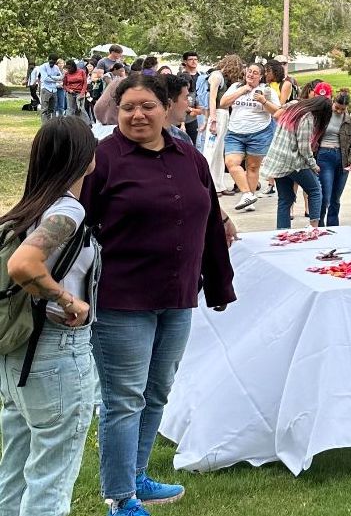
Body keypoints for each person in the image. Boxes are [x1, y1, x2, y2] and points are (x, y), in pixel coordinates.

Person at [80, 73, 236, 516]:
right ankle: (120, 496)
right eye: (127, 106)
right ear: (116, 111)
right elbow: (77, 226)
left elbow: (208, 223)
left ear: (166, 108)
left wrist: (219, 284)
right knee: (124, 398)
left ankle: (138, 477)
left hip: (177, 295)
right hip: (120, 301)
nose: (137, 114)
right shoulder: (103, 160)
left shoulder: (189, 156)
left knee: (157, 392)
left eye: (147, 105)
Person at [0, 118, 99, 516]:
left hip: (16, 355)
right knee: (51, 482)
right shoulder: (67, 209)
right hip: (55, 351)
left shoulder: (26, 208)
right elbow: (24, 265)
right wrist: (68, 300)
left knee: (14, 472)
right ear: (86, 159)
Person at [260, 95, 333, 230]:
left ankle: (282, 232)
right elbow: (304, 147)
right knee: (315, 190)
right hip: (293, 162)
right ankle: (314, 227)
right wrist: (313, 165)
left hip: (278, 161)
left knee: (285, 199)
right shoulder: (307, 117)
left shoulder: (294, 108)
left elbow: (276, 115)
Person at [221, 62, 281, 211]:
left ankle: (250, 199)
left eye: (255, 72)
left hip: (259, 133)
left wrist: (264, 101)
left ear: (261, 76)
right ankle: (247, 193)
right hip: (235, 132)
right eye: (249, 71)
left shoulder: (266, 90)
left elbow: (278, 112)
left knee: (253, 167)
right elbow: (223, 103)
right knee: (231, 163)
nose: (251, 74)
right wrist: (243, 90)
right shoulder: (236, 86)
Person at [203, 55, 243, 195]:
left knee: (219, 152)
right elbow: (212, 98)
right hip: (218, 114)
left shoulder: (222, 77)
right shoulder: (216, 75)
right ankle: (207, 184)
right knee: (211, 151)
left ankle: (218, 185)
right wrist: (212, 118)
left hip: (224, 114)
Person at [317, 88, 351, 226]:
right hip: (324, 155)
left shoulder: (349, 120)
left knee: (336, 198)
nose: (339, 111)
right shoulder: (324, 115)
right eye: (337, 108)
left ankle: (334, 226)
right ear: (332, 102)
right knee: (324, 196)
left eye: (342, 109)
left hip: (342, 158)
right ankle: (319, 224)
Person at [179, 52, 202, 144]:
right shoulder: (180, 76)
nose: (193, 61)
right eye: (190, 59)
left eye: (195, 59)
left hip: (198, 114)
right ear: (185, 61)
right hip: (182, 118)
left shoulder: (202, 76)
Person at [33, 54, 63, 123]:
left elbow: (61, 77)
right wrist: (55, 78)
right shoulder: (43, 67)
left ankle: (51, 124)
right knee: (44, 109)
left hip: (54, 90)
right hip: (46, 89)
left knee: (52, 109)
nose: (52, 63)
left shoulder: (56, 67)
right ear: (48, 60)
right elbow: (45, 79)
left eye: (54, 61)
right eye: (51, 61)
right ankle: (44, 125)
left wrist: (51, 77)